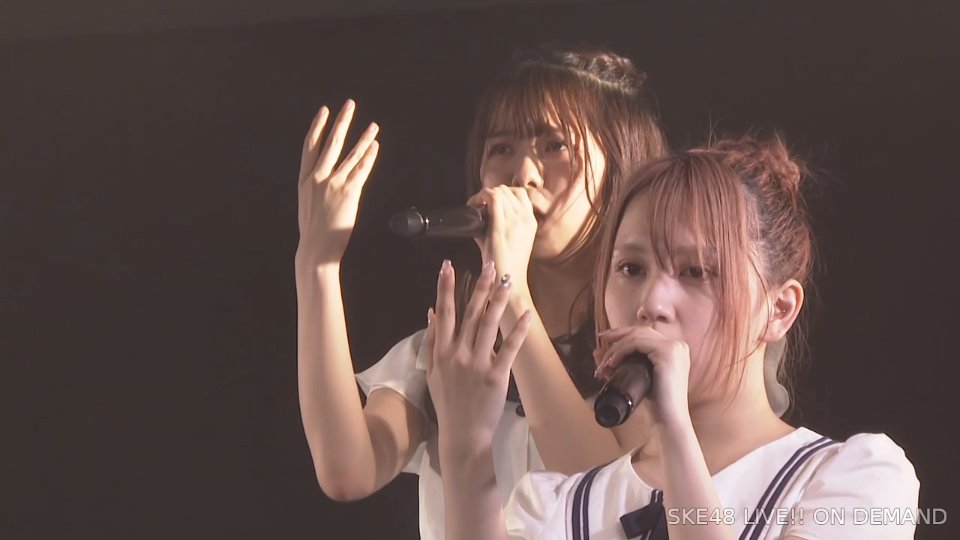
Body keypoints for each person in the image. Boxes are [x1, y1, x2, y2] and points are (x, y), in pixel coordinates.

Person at [426, 135, 920, 539]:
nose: (651, 303)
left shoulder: (855, 479)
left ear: (779, 309)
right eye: (630, 268)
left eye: (695, 271)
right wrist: (465, 444)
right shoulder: (555, 505)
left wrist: (674, 433)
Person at [295, 44, 667, 539]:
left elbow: (601, 498)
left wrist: (510, 291)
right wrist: (316, 262)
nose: (522, 175)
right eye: (501, 149)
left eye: (554, 145)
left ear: (622, 168)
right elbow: (347, 470)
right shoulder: (453, 353)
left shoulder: (650, 356)